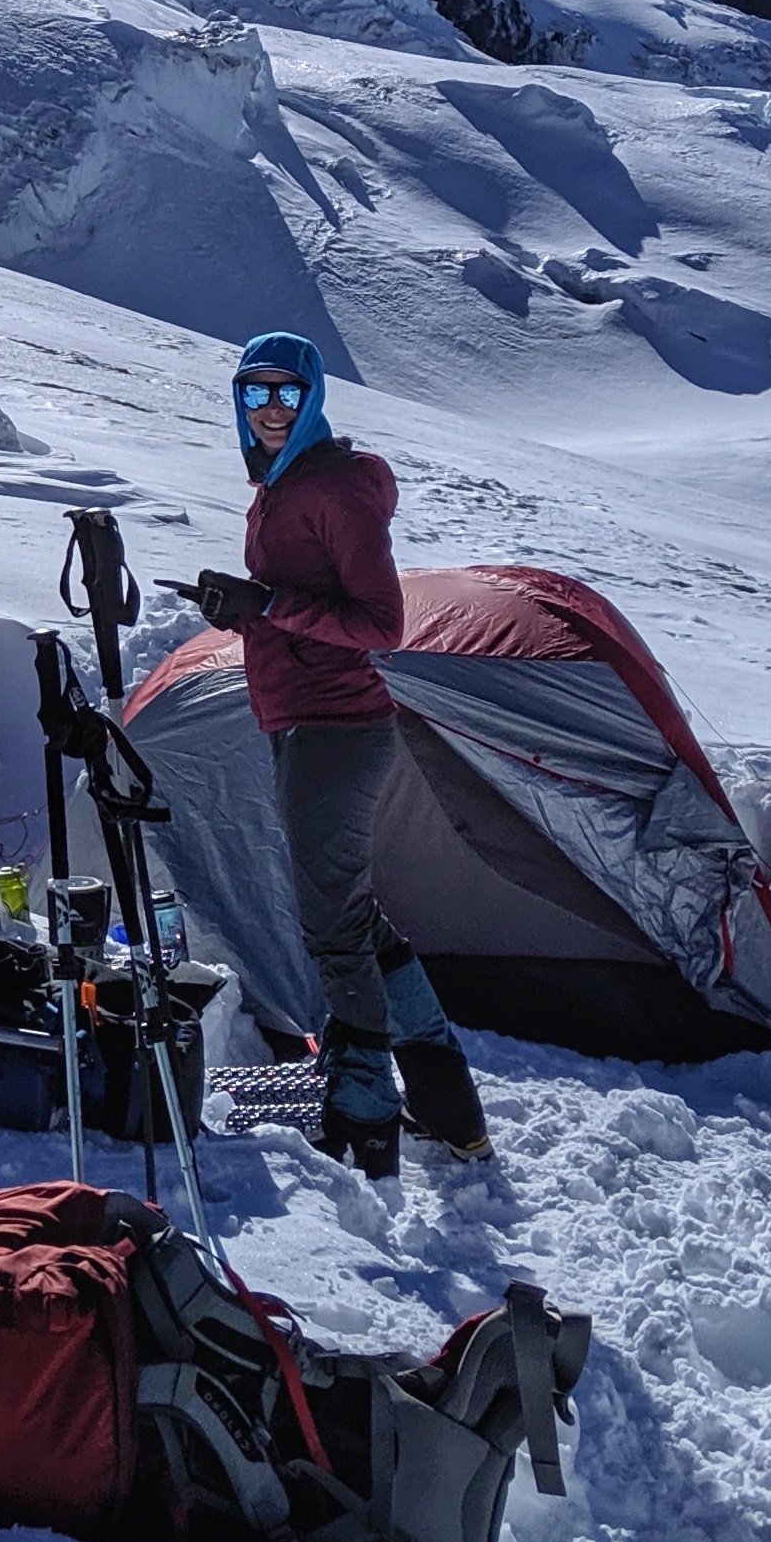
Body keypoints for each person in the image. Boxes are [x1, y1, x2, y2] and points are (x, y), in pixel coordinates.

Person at [186, 330, 493, 1174]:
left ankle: (364, 1116)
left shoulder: (335, 489)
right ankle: (450, 1109)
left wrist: (269, 603)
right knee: (351, 917)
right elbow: (298, 606)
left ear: (313, 396)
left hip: (337, 727)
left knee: (332, 928)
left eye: (287, 392)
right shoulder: (277, 486)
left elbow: (381, 624)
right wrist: (244, 610)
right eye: (255, 393)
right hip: (300, 722)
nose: (271, 408)